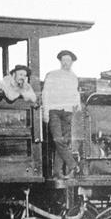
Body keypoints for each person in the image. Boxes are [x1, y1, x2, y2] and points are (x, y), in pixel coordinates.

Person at [43, 50, 81, 180]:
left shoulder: (73, 77)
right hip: (54, 111)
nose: (66, 63)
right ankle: (73, 165)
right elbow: (46, 93)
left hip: (68, 112)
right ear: (60, 61)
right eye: (64, 60)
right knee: (57, 139)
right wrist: (45, 112)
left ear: (72, 62)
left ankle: (57, 172)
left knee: (63, 142)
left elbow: (75, 94)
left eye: (68, 60)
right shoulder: (52, 75)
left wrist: (77, 106)